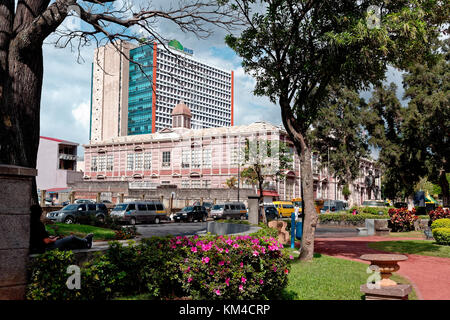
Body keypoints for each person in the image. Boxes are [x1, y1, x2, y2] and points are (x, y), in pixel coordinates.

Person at [29, 204, 94, 254]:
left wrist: (50, 237)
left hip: (38, 248)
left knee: (68, 244)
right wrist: (54, 239)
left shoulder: (30, 223)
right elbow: (46, 241)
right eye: (41, 211)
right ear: (39, 213)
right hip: (46, 248)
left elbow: (40, 238)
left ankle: (85, 244)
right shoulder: (38, 224)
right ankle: (86, 241)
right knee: (72, 238)